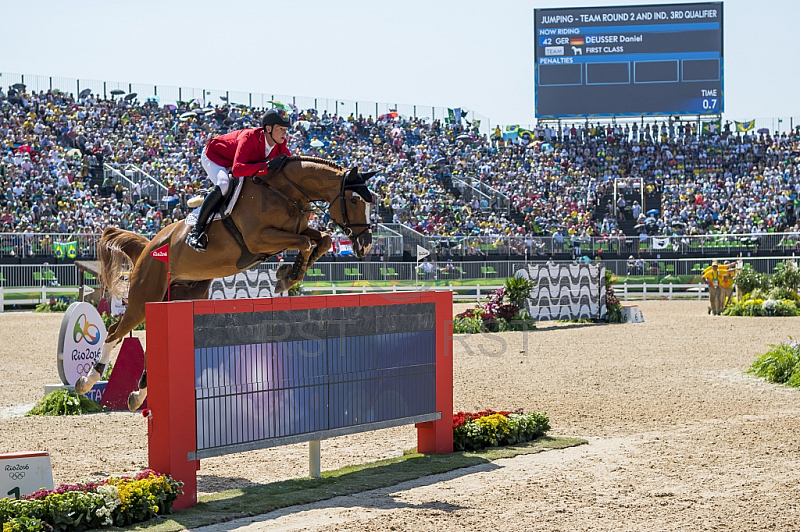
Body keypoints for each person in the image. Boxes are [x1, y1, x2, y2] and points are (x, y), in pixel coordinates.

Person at [185, 109, 293, 251]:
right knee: (224, 184)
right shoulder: (250, 137)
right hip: (215, 156)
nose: (285, 133)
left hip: (236, 160)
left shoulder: (281, 146)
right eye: (281, 129)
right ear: (268, 128)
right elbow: (237, 170)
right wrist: (266, 167)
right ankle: (196, 232)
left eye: (286, 129)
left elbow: (291, 167)